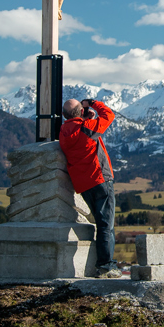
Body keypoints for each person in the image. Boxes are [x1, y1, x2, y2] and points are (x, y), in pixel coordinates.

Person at [58, 96, 121, 278]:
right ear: (81, 111)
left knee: (100, 223)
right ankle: (106, 266)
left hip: (83, 184)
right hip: (100, 179)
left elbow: (78, 132)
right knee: (106, 226)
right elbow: (109, 115)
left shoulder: (64, 131)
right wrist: (92, 103)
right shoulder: (87, 127)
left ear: (63, 115)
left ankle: (102, 263)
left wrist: (85, 118)